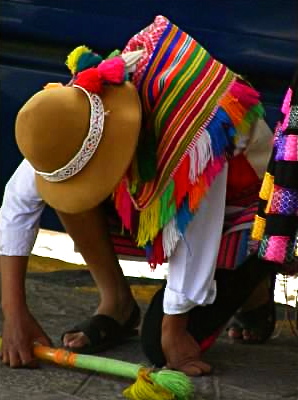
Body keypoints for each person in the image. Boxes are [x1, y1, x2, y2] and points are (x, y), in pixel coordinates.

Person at [0, 15, 275, 375]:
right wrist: (14, 315)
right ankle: (116, 302)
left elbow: (197, 226)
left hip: (239, 208)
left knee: (159, 348)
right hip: (181, 193)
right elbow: (16, 204)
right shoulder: (72, 113)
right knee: (66, 193)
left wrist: (173, 330)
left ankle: (255, 279)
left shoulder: (191, 134)